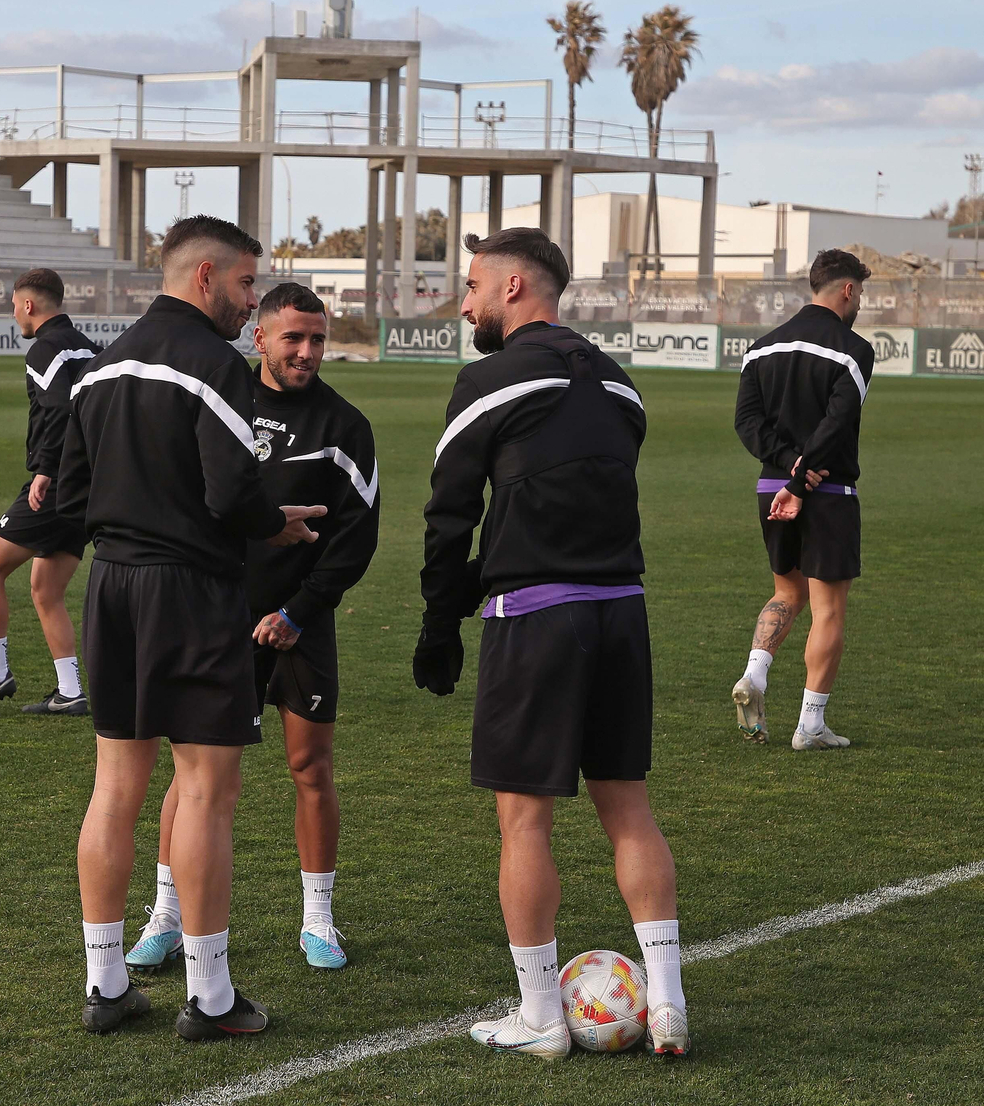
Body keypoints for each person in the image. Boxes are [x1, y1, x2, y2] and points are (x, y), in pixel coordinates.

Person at [415, 227, 688, 1059]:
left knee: (524, 821)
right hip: (623, 609)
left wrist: (438, 622)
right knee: (629, 809)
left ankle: (541, 1018)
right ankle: (670, 1006)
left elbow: (450, 513)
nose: (462, 302)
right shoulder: (620, 384)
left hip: (535, 616)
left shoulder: (489, 377)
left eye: (471, 287)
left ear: (512, 288)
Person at [56, 215, 326, 1039]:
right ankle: (209, 998)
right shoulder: (214, 363)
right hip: (193, 591)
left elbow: (68, 497)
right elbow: (231, 493)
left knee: (115, 787)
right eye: (247, 284)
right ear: (204, 277)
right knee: (207, 791)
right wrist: (271, 524)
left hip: (112, 586)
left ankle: (107, 987)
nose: (252, 304)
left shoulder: (99, 366)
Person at [128, 282, 378, 974]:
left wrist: (300, 611)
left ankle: (319, 920)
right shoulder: (218, 395)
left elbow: (356, 539)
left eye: (318, 339)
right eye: (293, 337)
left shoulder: (344, 427)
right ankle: (166, 916)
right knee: (194, 777)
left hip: (302, 620)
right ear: (259, 338)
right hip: (214, 616)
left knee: (310, 768)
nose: (306, 352)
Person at [731, 249, 874, 752]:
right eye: (862, 293)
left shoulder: (760, 348)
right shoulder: (853, 349)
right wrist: (803, 478)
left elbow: (747, 424)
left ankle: (756, 674)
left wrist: (787, 468)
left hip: (770, 489)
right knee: (828, 608)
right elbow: (837, 424)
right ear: (848, 290)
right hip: (827, 492)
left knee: (786, 590)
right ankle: (810, 725)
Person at [0, 269, 99, 714]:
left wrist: (46, 470)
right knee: (46, 589)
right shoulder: (87, 347)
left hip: (59, 483)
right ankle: (70, 692)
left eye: (14, 305)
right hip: (90, 484)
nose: (13, 314)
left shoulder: (45, 349)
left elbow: (58, 409)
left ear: (29, 305)